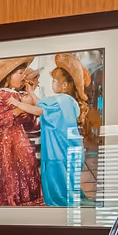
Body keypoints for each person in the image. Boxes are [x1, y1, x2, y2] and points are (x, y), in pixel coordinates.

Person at [0, 55, 43, 207]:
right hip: (6, 140)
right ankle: (11, 196)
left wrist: (25, 112)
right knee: (9, 168)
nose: (23, 76)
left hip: (19, 137)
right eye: (20, 73)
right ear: (9, 77)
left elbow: (30, 117)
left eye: (24, 73)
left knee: (25, 165)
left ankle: (26, 196)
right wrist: (14, 113)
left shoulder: (17, 95)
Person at [38, 56, 90, 207]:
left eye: (54, 81)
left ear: (65, 85)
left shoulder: (60, 100)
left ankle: (61, 201)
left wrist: (17, 103)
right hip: (70, 149)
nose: (52, 84)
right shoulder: (68, 101)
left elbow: (39, 108)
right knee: (69, 180)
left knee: (59, 180)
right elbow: (43, 105)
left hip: (59, 152)